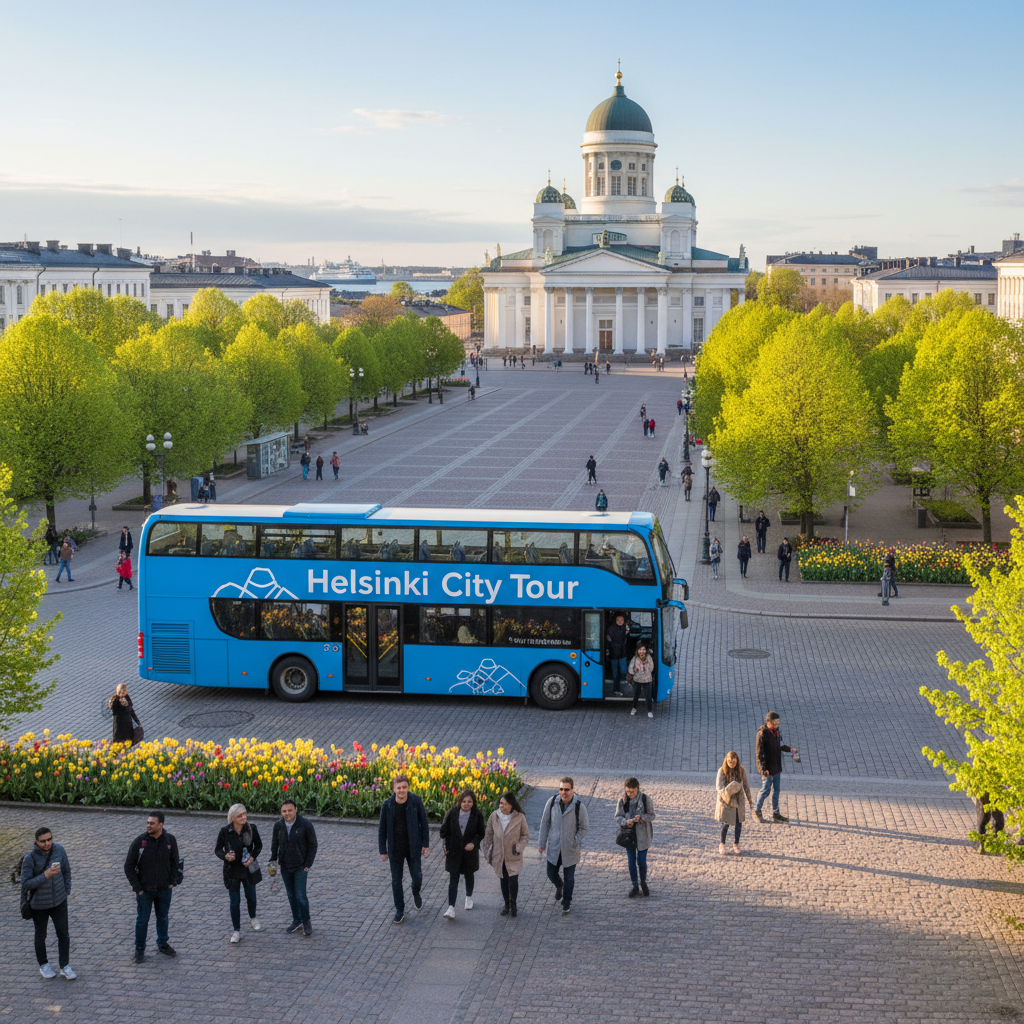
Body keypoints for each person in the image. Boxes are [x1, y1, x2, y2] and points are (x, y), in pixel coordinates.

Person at [124, 811, 180, 963]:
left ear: (160, 825)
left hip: (164, 890)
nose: (148, 825)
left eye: (152, 823)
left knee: (163, 918)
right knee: (142, 920)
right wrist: (138, 888)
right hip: (145, 891)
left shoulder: (170, 840)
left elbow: (176, 862)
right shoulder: (140, 842)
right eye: (147, 823)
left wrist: (172, 881)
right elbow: (128, 866)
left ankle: (162, 943)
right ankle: (139, 949)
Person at [22, 826, 75, 980]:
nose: (47, 843)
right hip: (39, 905)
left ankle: (64, 966)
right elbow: (26, 884)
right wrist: (45, 875)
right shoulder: (29, 859)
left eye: (49, 839)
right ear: (36, 842)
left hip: (59, 901)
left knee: (63, 934)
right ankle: (44, 965)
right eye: (43, 841)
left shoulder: (59, 850)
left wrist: (66, 891)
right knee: (41, 935)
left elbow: (67, 871)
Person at [378, 774, 430, 923]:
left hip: (413, 847)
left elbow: (424, 823)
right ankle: (400, 910)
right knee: (396, 880)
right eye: (398, 788)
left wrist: (425, 844)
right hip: (395, 849)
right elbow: (382, 829)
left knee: (417, 877)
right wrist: (383, 850)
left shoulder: (416, 801)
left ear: (408, 787)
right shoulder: (387, 805)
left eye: (404, 787)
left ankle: (415, 891)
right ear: (394, 788)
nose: (401, 790)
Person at [537, 777, 589, 915]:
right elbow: (545, 823)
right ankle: (559, 885)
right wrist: (542, 843)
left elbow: (584, 827)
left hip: (570, 849)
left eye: (566, 789)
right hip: (554, 847)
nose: (563, 792)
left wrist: (575, 840)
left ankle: (566, 902)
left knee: (569, 878)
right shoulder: (552, 802)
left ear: (572, 790)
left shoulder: (579, 807)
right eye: (561, 789)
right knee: (551, 873)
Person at [215, 803, 263, 943]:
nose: (244, 817)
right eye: (240, 815)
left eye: (245, 814)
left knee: (251, 896)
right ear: (233, 818)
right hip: (232, 870)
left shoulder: (251, 828)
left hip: (248, 868)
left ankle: (253, 917)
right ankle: (236, 931)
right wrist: (225, 856)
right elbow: (217, 849)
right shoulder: (225, 831)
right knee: (234, 902)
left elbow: (258, 845)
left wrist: (252, 857)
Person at [270, 799, 317, 935]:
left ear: (296, 810)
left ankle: (306, 921)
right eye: (284, 811)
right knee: (291, 895)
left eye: (290, 810)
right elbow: (274, 844)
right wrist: (273, 859)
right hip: (285, 866)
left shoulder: (305, 824)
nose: (287, 813)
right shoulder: (278, 826)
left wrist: (308, 864)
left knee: (301, 896)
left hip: (300, 867)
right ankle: (297, 920)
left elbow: (313, 845)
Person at [439, 789, 486, 920]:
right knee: (453, 879)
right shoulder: (452, 813)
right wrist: (447, 846)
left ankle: (468, 896)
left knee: (469, 874)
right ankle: (451, 907)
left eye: (469, 802)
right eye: (464, 801)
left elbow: (481, 833)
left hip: (469, 852)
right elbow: (443, 831)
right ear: (460, 801)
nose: (466, 804)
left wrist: (473, 843)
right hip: (454, 851)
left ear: (473, 802)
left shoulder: (477, 815)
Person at [482, 791, 529, 917]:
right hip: (499, 855)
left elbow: (525, 835)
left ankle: (513, 903)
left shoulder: (519, 817)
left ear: (511, 805)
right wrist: (487, 852)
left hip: (514, 855)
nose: (501, 806)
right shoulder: (494, 816)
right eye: (500, 803)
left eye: (504, 804)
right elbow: (488, 835)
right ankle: (506, 904)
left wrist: (519, 847)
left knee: (513, 879)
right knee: (503, 879)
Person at [614, 777, 656, 897]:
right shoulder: (622, 801)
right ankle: (635, 885)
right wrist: (625, 822)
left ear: (637, 789)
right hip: (629, 835)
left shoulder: (645, 799)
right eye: (628, 791)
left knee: (641, 861)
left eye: (632, 791)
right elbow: (618, 816)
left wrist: (642, 818)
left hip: (643, 835)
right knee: (631, 861)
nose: (630, 794)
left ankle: (643, 882)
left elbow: (652, 815)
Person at [754, 712, 797, 824]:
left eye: (778, 721)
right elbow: (759, 753)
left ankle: (776, 813)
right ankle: (757, 810)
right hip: (767, 769)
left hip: (776, 766)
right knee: (765, 790)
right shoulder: (762, 733)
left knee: (776, 790)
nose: (778, 724)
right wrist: (763, 770)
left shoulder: (777, 731)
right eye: (775, 722)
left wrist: (790, 749)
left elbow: (780, 745)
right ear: (769, 722)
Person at [715, 751, 754, 855]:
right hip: (727, 801)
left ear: (737, 761)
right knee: (725, 824)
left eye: (733, 761)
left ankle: (736, 844)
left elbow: (746, 785)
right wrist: (729, 790)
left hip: (738, 801)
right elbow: (719, 787)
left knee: (738, 823)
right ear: (726, 761)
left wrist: (750, 801)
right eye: (729, 761)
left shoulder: (741, 771)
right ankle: (722, 844)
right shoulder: (722, 771)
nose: (731, 763)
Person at [627, 642, 655, 718]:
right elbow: (630, 669)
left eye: (643, 650)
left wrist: (646, 670)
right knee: (636, 695)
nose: (642, 651)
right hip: (637, 680)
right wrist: (635, 670)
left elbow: (651, 667)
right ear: (637, 650)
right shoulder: (635, 658)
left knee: (648, 696)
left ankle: (649, 711)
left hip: (647, 680)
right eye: (640, 650)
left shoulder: (648, 657)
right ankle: (634, 708)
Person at [606, 612, 629, 696]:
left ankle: (621, 686)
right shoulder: (611, 629)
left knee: (623, 671)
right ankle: (616, 689)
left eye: (621, 620)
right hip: (614, 654)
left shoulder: (625, 628)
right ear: (615, 620)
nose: (620, 621)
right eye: (618, 620)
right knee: (615, 673)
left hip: (622, 653)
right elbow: (609, 642)